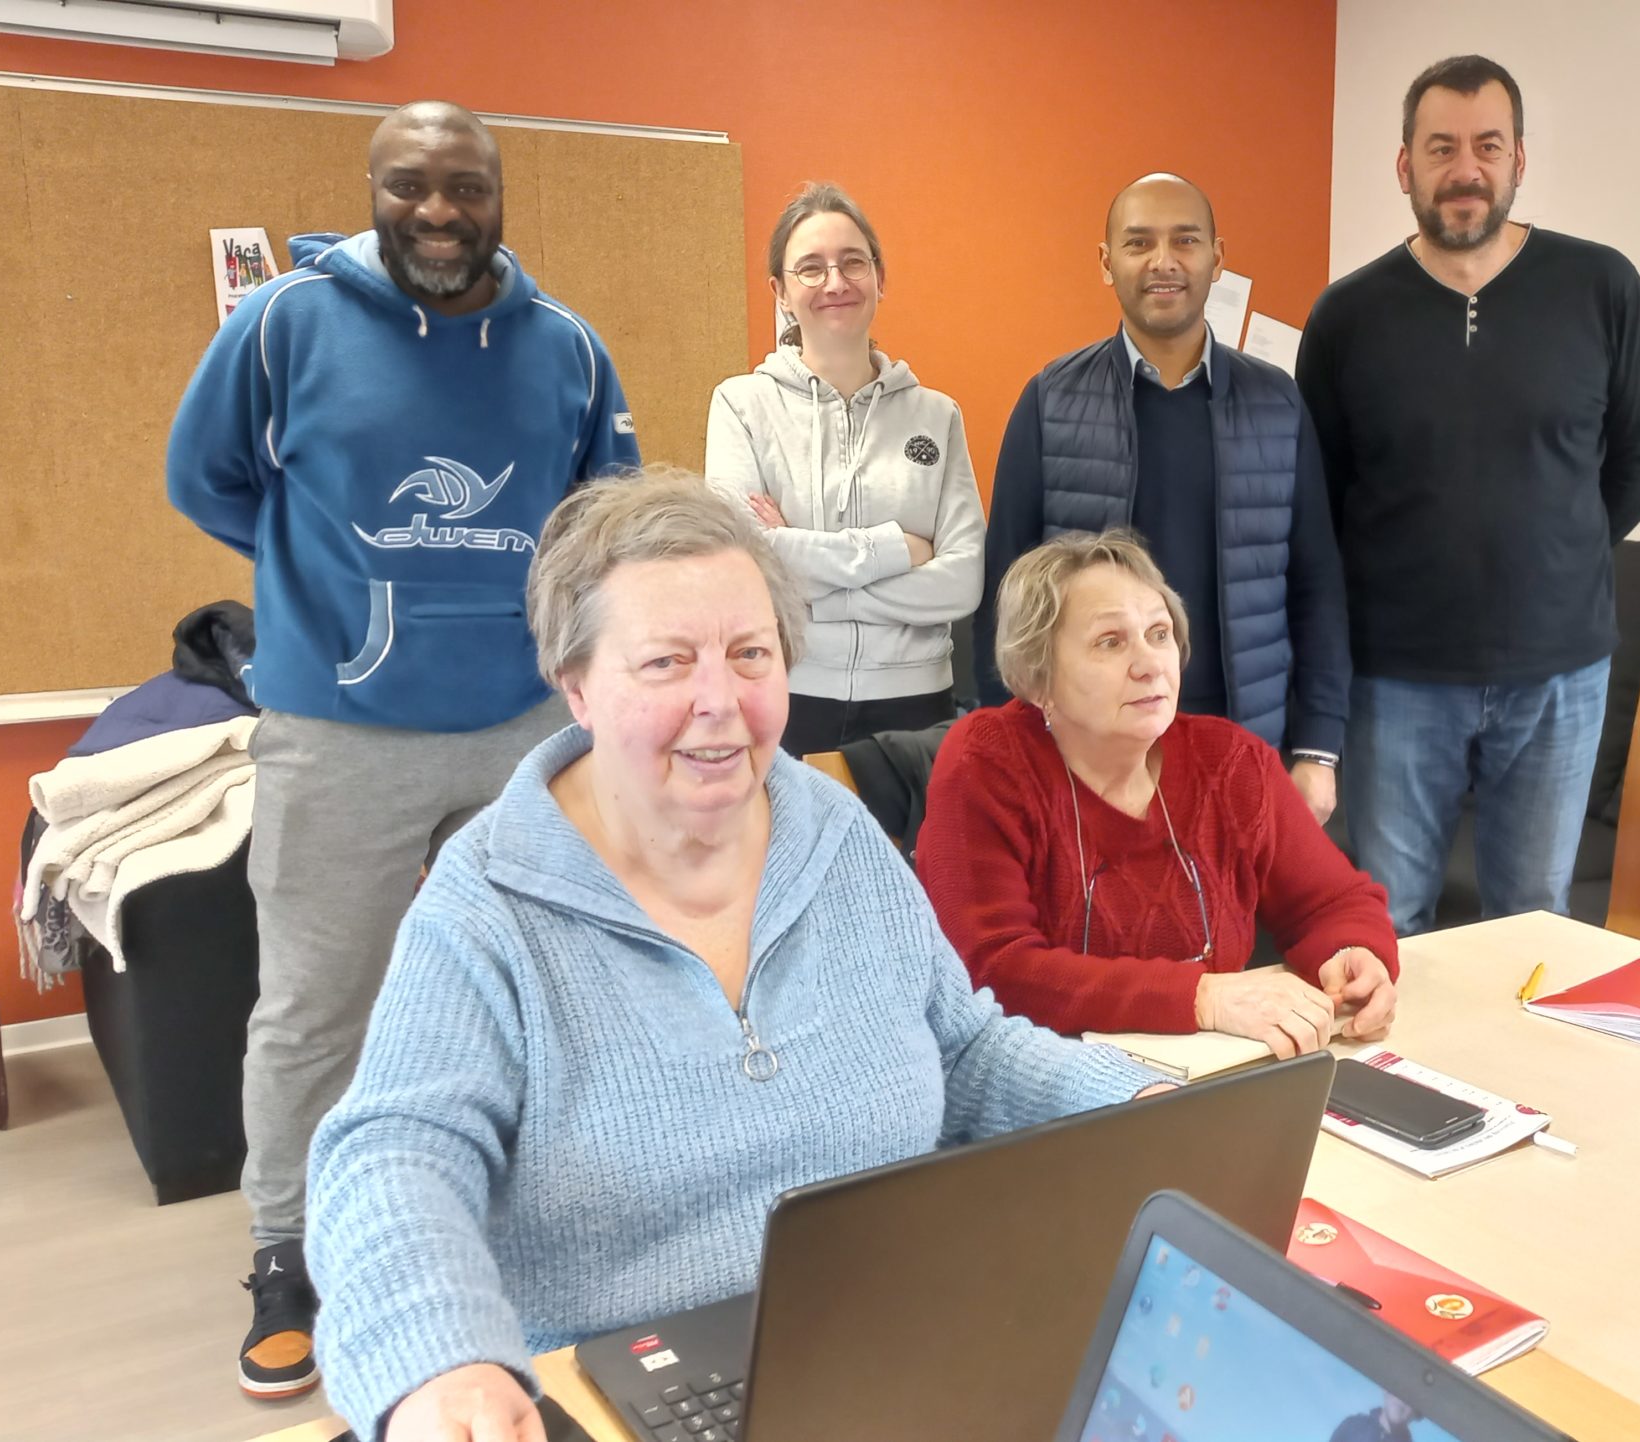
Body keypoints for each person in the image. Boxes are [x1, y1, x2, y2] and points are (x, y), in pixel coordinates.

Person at [303, 471, 1161, 1442]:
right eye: (667, 662)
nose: (720, 700)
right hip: (618, 1393)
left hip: (881, 1350)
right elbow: (390, 1153)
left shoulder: (835, 831)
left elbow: (960, 1046)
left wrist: (1141, 1105)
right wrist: (437, 1357)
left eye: (750, 654)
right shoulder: (489, 902)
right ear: (577, 684)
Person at [164, 100, 638, 1401]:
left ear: (500, 193)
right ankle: (290, 1249)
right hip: (337, 730)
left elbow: (605, 519)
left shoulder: (569, 352)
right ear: (376, 189)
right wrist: (334, 595)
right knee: (318, 1001)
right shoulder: (281, 328)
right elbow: (202, 481)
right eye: (412, 185)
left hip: (523, 724)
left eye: (465, 187)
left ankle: (524, 1211)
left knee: (550, 977)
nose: (439, 210)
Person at [1297, 56, 1640, 933]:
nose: (1466, 170)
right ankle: (1392, 1080)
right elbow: (1320, 499)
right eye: (1442, 148)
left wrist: (1551, 555)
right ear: (1405, 167)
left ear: (1518, 161)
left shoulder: (1602, 287)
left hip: (1561, 678)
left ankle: (1512, 1082)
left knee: (1533, 924)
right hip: (1394, 680)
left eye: (1487, 146)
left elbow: (1639, 465)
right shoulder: (1347, 316)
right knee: (1386, 924)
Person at [919, 531, 1398, 1053]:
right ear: (1038, 678)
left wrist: (1353, 954)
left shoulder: (1231, 761)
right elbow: (991, 968)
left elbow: (1335, 902)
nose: (1150, 664)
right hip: (1046, 1091)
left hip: (1211, 1079)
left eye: (1159, 633)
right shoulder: (987, 760)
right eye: (1111, 641)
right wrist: (1202, 998)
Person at [981, 173, 1351, 822]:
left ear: (1217, 256)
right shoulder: (1051, 401)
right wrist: (1005, 742)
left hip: (1244, 745)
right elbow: (1004, 594)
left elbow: (1317, 585)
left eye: (1185, 240)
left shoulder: (1277, 403)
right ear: (1105, 262)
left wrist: (1317, 751)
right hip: (1088, 751)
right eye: (1138, 242)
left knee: (1237, 924)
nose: (1163, 261)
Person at [707, 182, 983, 754]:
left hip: (919, 703)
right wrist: (896, 550)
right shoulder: (741, 405)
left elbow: (963, 580)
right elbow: (744, 566)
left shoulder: (937, 415)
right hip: (788, 694)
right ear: (780, 291)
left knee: (909, 850)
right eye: (810, 268)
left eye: (852, 262)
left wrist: (813, 581)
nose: (834, 282)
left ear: (880, 278)